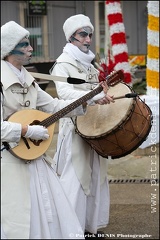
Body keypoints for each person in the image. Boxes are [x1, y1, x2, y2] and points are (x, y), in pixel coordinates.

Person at [1, 21, 109, 239]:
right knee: (15, 215)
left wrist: (90, 99)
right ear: (9, 49)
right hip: (8, 161)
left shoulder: (28, 79)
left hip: (32, 157)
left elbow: (54, 106)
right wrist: (25, 131)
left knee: (51, 213)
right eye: (25, 44)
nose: (31, 49)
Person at [50, 14, 115, 237]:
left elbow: (98, 90)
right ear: (71, 38)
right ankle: (71, 229)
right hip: (75, 130)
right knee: (76, 178)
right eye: (83, 34)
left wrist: (105, 94)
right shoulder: (62, 64)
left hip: (94, 129)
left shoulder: (91, 64)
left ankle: (91, 227)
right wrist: (95, 96)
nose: (88, 39)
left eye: (89, 34)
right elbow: (64, 93)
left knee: (97, 176)